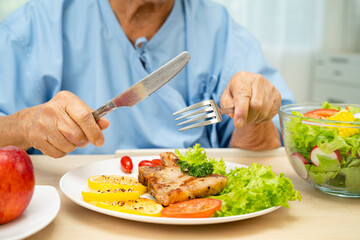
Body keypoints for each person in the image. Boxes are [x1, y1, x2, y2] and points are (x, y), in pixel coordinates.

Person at [0, 0, 295, 158]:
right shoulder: (35, 25)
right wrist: (24, 125)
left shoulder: (220, 28)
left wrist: (255, 118)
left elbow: (262, 156)